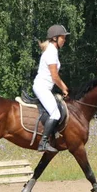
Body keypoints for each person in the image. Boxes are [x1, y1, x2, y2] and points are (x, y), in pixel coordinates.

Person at [32, 24, 70, 152]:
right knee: (55, 113)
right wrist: (64, 88)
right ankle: (43, 142)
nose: (64, 40)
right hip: (42, 87)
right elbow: (54, 76)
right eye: (63, 38)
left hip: (45, 87)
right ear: (55, 38)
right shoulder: (51, 53)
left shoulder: (53, 51)